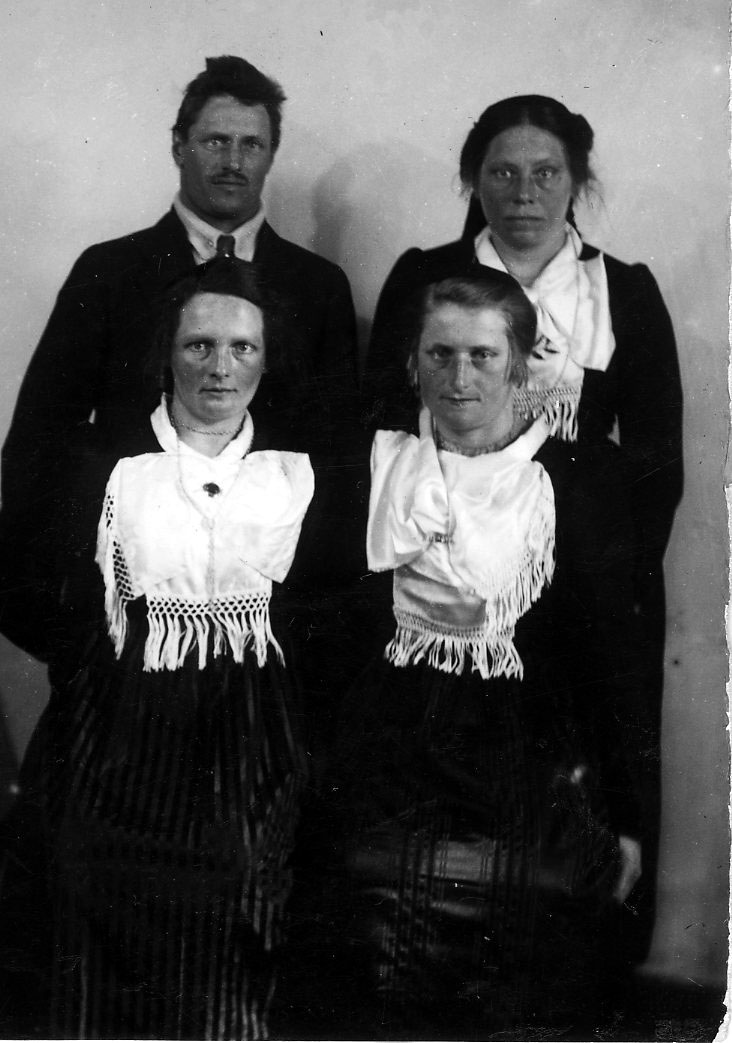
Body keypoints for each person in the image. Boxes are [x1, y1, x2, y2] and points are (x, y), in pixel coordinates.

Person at [364, 94, 682, 964]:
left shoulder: (622, 291)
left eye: (546, 172)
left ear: (578, 181)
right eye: (502, 172)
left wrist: (577, 565)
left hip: (572, 577)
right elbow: (385, 426)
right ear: (475, 180)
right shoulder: (425, 275)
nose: (524, 192)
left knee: (581, 812)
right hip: (435, 574)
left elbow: (656, 467)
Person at [0, 258, 316, 1039]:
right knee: (82, 875)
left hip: (250, 738)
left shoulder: (296, 471)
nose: (220, 366)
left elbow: (326, 615)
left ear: (266, 359)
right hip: (114, 730)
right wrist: (98, 667)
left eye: (242, 347)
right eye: (199, 344)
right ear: (166, 353)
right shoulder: (102, 460)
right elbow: (26, 586)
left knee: (243, 889)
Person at [326, 270, 644, 1039]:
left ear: (521, 364)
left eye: (482, 355)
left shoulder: (580, 476)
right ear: (412, 363)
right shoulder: (375, 464)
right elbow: (332, 637)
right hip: (391, 752)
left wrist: (631, 816)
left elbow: (615, 663)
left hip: (529, 753)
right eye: (439, 354)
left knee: (531, 940)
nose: (459, 376)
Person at [0, 54, 357, 661]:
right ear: (178, 146)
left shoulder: (317, 286)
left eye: (252, 144)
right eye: (215, 140)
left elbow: (338, 453)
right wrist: (61, 629)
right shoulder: (108, 272)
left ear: (271, 154)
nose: (233, 160)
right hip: (130, 614)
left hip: (270, 622)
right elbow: (41, 438)